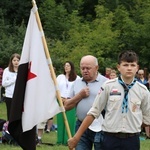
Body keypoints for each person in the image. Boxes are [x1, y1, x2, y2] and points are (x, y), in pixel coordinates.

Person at [68, 50, 150, 150]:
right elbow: (94, 112)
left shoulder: (143, 90)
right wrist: (76, 137)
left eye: (132, 65)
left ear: (137, 68)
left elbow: (147, 117)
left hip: (132, 139)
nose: (129, 68)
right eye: (125, 65)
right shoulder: (108, 86)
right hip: (110, 138)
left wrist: (132, 124)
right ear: (118, 67)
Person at [64, 55, 108, 150]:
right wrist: (79, 96)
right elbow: (66, 106)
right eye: (82, 68)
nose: (85, 70)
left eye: (88, 68)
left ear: (96, 68)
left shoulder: (106, 83)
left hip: (100, 126)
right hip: (81, 125)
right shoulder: (77, 83)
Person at [57, 61, 80, 145]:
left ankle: (68, 139)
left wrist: (72, 99)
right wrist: (60, 98)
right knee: (60, 120)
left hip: (71, 101)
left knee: (70, 121)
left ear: (72, 67)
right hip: (60, 100)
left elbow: (78, 90)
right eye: (65, 65)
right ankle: (60, 140)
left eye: (68, 65)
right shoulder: (60, 77)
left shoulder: (77, 78)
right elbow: (56, 88)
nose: (66, 67)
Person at [2, 53, 20, 120]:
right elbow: (4, 83)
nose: (16, 62)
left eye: (18, 60)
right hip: (10, 95)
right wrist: (13, 80)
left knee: (18, 113)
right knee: (10, 113)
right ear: (11, 61)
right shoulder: (7, 70)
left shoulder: (21, 70)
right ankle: (9, 128)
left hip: (19, 95)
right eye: (14, 60)